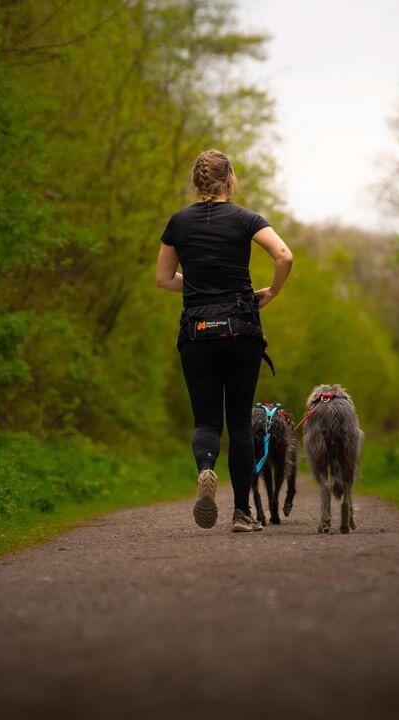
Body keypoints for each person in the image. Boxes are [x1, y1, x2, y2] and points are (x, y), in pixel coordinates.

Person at [155, 149, 293, 532]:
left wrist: (199, 286)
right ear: (229, 179)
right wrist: (270, 293)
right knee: (240, 423)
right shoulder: (247, 219)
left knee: (206, 420)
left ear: (197, 182)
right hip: (240, 328)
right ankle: (242, 514)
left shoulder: (178, 222)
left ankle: (205, 469)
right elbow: (284, 255)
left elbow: (164, 279)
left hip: (196, 332)